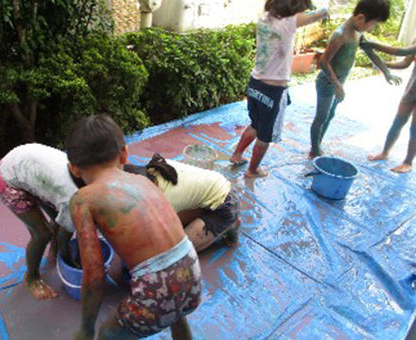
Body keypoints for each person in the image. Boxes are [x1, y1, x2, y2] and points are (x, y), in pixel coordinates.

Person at [65, 115, 201, 340]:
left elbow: (94, 273)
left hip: (157, 287)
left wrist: (85, 329)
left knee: (107, 333)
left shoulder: (83, 199)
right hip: (191, 273)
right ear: (124, 153)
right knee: (175, 312)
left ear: (75, 169)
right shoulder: (144, 181)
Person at [229, 0, 329, 177]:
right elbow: (318, 14)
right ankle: (252, 170)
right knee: (265, 136)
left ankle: (237, 154)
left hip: (255, 83)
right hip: (272, 90)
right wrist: (326, 8)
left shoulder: (264, 18)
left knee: (255, 125)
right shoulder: (290, 22)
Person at [309, 0, 401, 158]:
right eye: (373, 24)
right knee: (321, 117)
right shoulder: (340, 35)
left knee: (330, 115)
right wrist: (337, 85)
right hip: (327, 83)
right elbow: (324, 62)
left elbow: (371, 53)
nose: (372, 28)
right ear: (361, 18)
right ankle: (314, 150)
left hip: (339, 83)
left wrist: (386, 72)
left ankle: (317, 144)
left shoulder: (358, 33)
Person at [0, 143, 76, 300]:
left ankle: (53, 252)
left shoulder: (79, 183)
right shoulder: (72, 198)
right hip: (7, 179)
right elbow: (65, 238)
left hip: (30, 172)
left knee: (59, 216)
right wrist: (71, 263)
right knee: (42, 234)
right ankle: (32, 278)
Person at [124, 153, 241, 252]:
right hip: (210, 195)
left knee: (178, 250)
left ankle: (231, 224)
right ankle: (201, 216)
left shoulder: (166, 199)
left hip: (225, 206)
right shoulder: (156, 168)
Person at [364, 39, 416, 172]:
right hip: (411, 90)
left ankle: (408, 162)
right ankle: (385, 153)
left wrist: (372, 44)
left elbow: (402, 51)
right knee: (398, 122)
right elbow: (405, 62)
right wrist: (382, 64)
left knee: (414, 129)